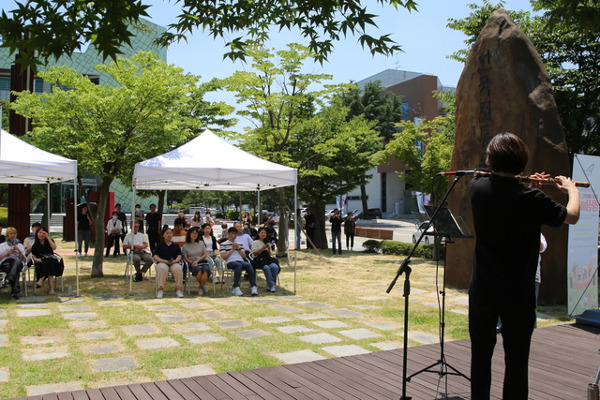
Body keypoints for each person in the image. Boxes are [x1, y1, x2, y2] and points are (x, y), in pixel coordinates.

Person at [469, 132, 580, 400]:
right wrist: (571, 190)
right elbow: (571, 216)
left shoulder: (476, 188)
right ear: (522, 161)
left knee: (481, 357)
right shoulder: (532, 200)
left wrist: (530, 186)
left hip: (483, 288)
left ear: (491, 159)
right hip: (518, 292)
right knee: (516, 361)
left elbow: (505, 194)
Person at [220, 227, 257, 296]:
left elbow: (244, 256)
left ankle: (253, 286)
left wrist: (238, 249)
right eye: (232, 233)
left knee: (248, 265)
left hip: (240, 260)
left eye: (235, 233)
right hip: (230, 262)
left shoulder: (240, 244)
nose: (233, 235)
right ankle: (236, 286)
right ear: (228, 234)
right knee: (238, 265)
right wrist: (232, 249)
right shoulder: (223, 244)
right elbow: (224, 257)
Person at [31, 226, 64, 295]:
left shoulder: (49, 241)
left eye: (43, 233)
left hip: (51, 259)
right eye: (39, 233)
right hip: (40, 262)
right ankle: (51, 289)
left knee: (49, 261)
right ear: (37, 234)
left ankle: (41, 279)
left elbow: (54, 248)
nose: (41, 235)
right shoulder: (35, 244)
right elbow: (33, 256)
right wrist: (37, 260)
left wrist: (48, 237)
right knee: (48, 264)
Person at [153, 227, 184, 298]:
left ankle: (178, 289)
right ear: (163, 235)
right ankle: (160, 290)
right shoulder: (160, 245)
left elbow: (179, 255)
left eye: (170, 233)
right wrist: (163, 261)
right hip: (162, 262)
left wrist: (175, 261)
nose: (169, 235)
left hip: (173, 262)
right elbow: (155, 256)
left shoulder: (176, 246)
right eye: (167, 233)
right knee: (162, 269)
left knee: (178, 269)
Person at [182, 227, 211, 295]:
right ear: (189, 234)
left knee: (206, 270)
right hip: (191, 262)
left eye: (196, 233)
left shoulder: (201, 243)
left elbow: (204, 254)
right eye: (193, 233)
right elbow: (185, 258)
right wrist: (191, 262)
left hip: (201, 261)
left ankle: (200, 287)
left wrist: (197, 261)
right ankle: (203, 285)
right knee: (198, 271)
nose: (194, 234)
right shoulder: (185, 246)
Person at [251, 227, 280, 292]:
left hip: (268, 259)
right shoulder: (255, 242)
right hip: (259, 260)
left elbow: (270, 254)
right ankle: (271, 285)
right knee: (266, 268)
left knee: (275, 267)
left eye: (265, 233)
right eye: (262, 232)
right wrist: (262, 249)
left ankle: (270, 284)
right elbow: (254, 254)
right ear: (258, 233)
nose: (263, 234)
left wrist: (269, 249)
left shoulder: (267, 242)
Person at [0, 227, 25, 299]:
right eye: (11, 234)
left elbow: (22, 259)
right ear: (7, 235)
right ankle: (15, 292)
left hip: (18, 262)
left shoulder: (20, 245)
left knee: (16, 262)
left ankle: (8, 279)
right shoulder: (2, 246)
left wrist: (19, 251)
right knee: (15, 269)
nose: (13, 235)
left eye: (14, 233)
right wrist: (7, 253)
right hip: (6, 263)